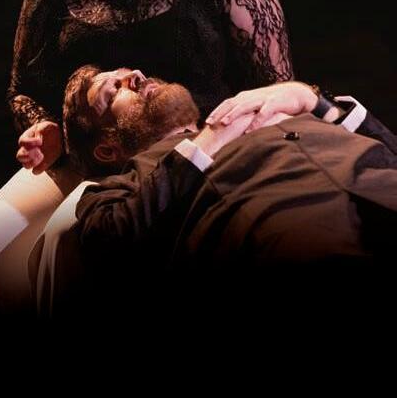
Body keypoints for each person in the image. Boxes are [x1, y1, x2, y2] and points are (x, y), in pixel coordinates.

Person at [0, 0, 295, 317]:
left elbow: (276, 86)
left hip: (194, 150)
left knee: (70, 246)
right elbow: (24, 91)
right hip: (90, 158)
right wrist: (44, 126)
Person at [31, 65, 397, 318]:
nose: (135, 76)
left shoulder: (262, 106)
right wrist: (210, 139)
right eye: (113, 90)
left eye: (129, 72)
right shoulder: (123, 186)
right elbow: (109, 236)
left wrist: (312, 100)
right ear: (107, 149)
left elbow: (389, 152)